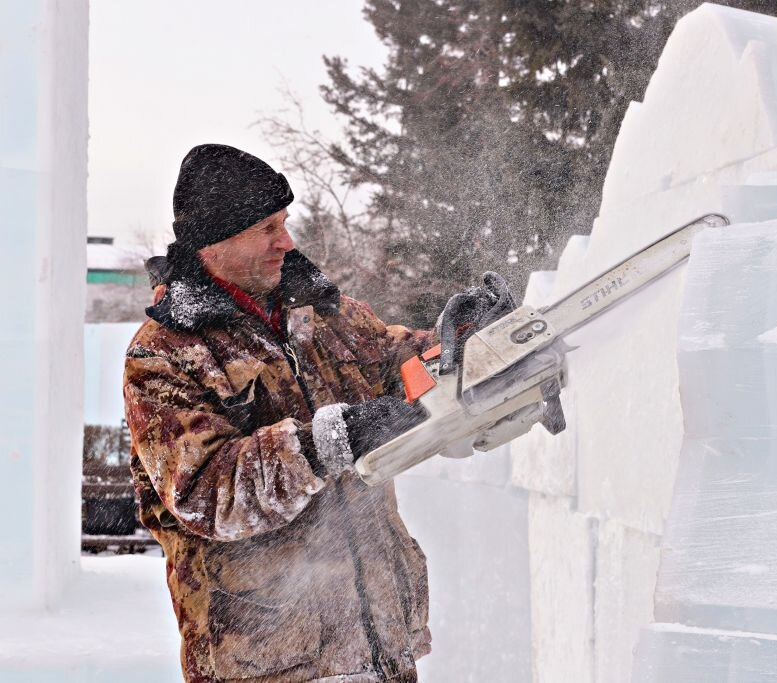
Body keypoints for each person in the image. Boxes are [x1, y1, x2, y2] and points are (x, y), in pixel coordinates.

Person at [124, 144, 511, 683]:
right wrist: (332, 440)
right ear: (215, 240)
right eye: (266, 228)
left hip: (379, 648)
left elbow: (398, 362)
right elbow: (205, 493)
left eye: (284, 222)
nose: (287, 241)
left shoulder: (326, 315)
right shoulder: (165, 354)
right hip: (272, 660)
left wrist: (470, 342)